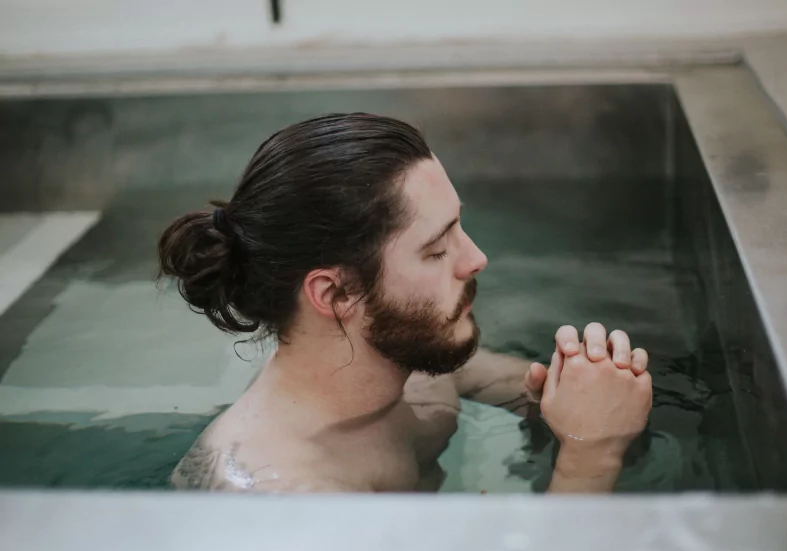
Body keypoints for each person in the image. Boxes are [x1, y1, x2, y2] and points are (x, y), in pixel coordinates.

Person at [158, 113, 653, 493]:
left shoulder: (401, 359)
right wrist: (592, 458)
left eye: (459, 227)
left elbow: (491, 380)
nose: (476, 259)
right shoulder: (279, 502)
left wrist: (572, 401)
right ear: (335, 294)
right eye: (436, 250)